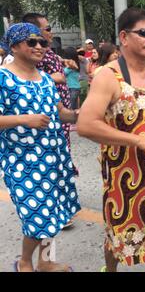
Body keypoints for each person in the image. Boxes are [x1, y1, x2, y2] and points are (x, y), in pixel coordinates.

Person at [77, 8, 145, 272]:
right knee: (118, 233)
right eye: (144, 33)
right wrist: (137, 141)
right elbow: (85, 124)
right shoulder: (108, 76)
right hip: (122, 176)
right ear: (124, 37)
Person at [0, 23, 81, 272]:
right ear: (14, 46)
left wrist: (80, 114)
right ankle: (24, 262)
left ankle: (45, 262)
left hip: (54, 156)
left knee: (54, 211)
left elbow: (62, 114)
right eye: (31, 42)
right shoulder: (3, 78)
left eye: (42, 43)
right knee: (38, 215)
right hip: (22, 161)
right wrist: (24, 119)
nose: (39, 47)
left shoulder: (45, 79)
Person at [22, 13, 73, 152]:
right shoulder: (32, 54)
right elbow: (26, 79)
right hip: (47, 117)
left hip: (61, 112)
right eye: (48, 28)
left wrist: (64, 61)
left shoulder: (47, 50)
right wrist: (53, 77)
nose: (52, 32)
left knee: (63, 152)